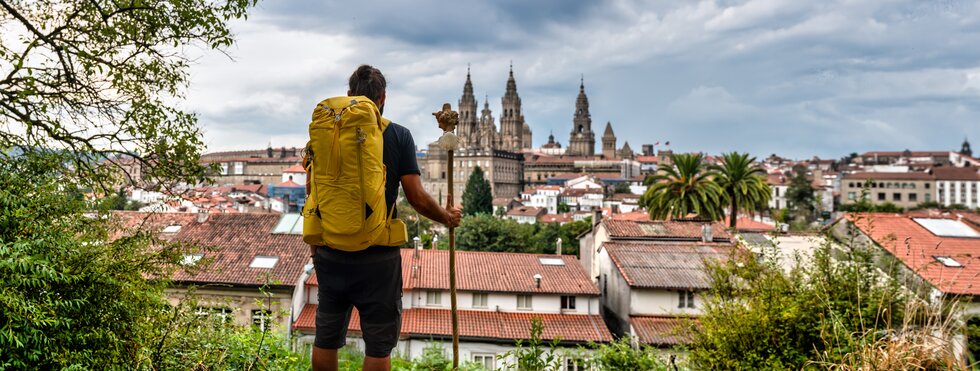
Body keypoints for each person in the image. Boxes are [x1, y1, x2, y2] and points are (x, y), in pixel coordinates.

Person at [308, 65, 462, 371]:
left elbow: (314, 192)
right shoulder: (398, 135)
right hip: (378, 255)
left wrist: (316, 248)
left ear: (349, 95)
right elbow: (416, 197)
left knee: (326, 338)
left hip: (331, 248)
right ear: (383, 98)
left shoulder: (326, 131)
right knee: (378, 346)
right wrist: (446, 217)